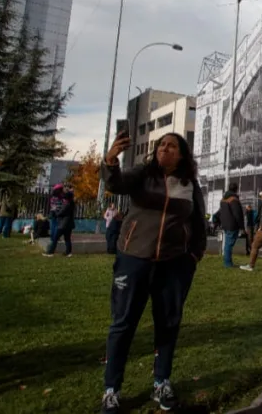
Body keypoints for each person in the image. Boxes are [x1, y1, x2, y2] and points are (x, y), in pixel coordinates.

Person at [99, 131, 207, 414]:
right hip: (134, 259)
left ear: (181, 154)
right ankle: (112, 389)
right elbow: (115, 183)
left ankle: (162, 382)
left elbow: (198, 224)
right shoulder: (143, 174)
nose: (164, 149)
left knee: (168, 324)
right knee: (122, 324)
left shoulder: (189, 185)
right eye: (161, 145)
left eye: (171, 146)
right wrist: (111, 159)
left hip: (173, 265)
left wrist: (193, 256)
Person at [218, 184, 245, 268]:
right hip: (232, 225)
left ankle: (227, 262)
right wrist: (242, 227)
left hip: (225, 224)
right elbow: (238, 214)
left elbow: (220, 212)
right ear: (236, 189)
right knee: (229, 245)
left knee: (227, 244)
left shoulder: (223, 200)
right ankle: (228, 263)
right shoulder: (234, 200)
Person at [45, 185, 75, 257]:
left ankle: (50, 252)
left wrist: (55, 211)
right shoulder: (72, 204)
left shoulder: (66, 204)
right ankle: (68, 252)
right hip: (69, 224)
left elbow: (60, 213)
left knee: (55, 238)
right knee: (67, 239)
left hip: (63, 224)